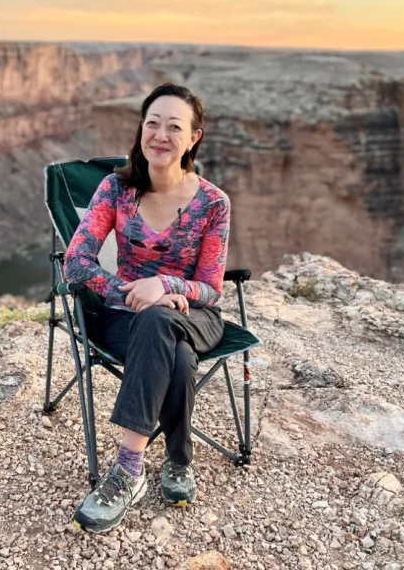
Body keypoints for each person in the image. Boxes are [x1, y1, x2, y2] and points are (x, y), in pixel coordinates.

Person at [64, 82, 230, 533]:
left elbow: (212, 289)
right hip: (125, 316)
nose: (160, 134)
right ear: (141, 129)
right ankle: (176, 462)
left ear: (193, 137)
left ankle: (128, 469)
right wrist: (130, 293)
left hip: (196, 316)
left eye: (174, 126)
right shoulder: (116, 189)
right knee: (169, 346)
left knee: (162, 320)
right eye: (152, 123)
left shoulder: (213, 203)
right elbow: (76, 264)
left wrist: (166, 285)